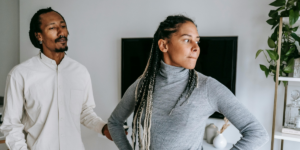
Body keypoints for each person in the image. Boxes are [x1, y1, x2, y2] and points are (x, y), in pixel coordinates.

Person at [108, 15, 269, 150]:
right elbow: (114, 122)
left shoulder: (207, 87)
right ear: (164, 45)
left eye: (197, 41)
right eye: (187, 40)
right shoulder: (142, 86)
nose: (196, 47)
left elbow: (257, 133)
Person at [0, 7, 111, 150]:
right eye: (53, 27)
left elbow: (85, 112)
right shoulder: (20, 74)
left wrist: (104, 128)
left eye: (63, 26)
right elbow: (11, 124)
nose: (61, 32)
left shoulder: (80, 72)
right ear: (39, 36)